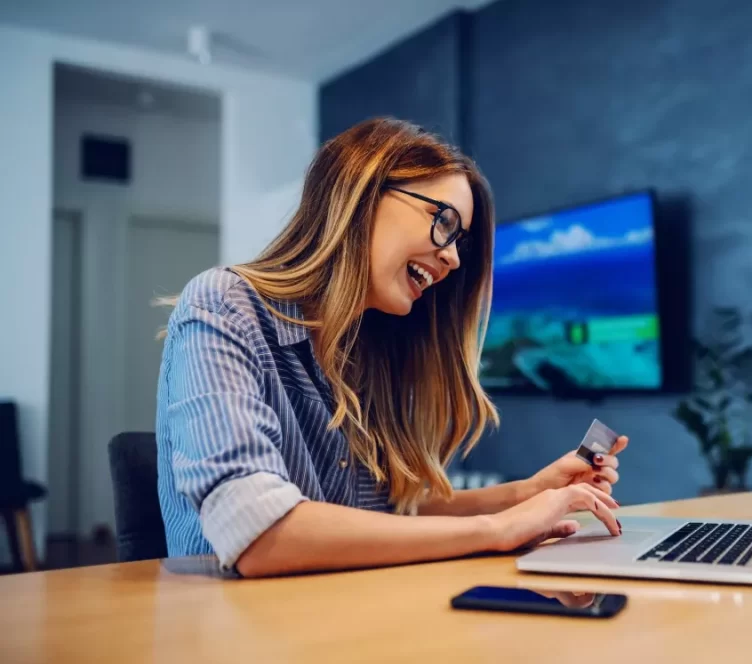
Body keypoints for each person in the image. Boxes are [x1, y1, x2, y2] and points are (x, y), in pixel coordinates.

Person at [156, 117, 629, 577]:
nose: (452, 257)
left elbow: (388, 516)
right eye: (444, 222)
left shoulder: (367, 350)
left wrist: (523, 495)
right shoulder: (224, 306)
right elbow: (259, 535)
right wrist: (498, 528)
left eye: (460, 240)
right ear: (362, 193)